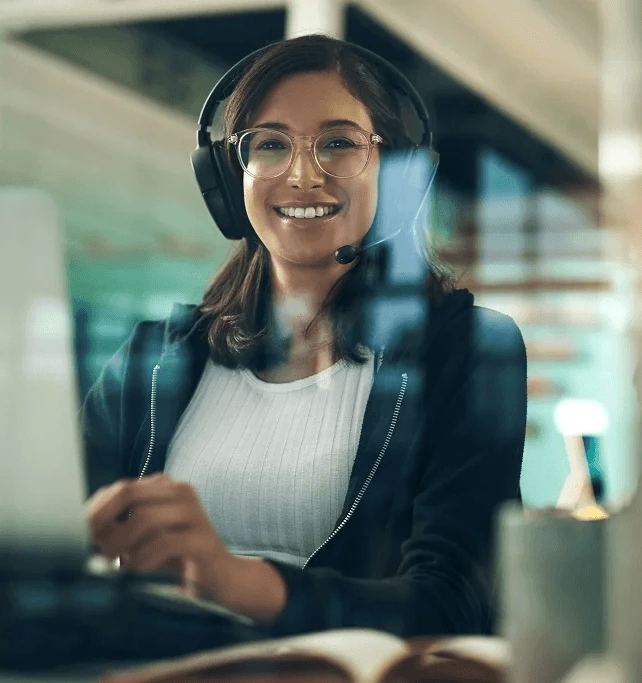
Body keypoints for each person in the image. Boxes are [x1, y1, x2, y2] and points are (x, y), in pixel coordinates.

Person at [80, 35, 527, 637]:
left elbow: (451, 604)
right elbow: (53, 548)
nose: (302, 175)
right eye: (269, 145)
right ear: (228, 175)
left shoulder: (468, 350)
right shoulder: (153, 357)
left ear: (397, 172)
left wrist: (234, 578)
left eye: (338, 143)